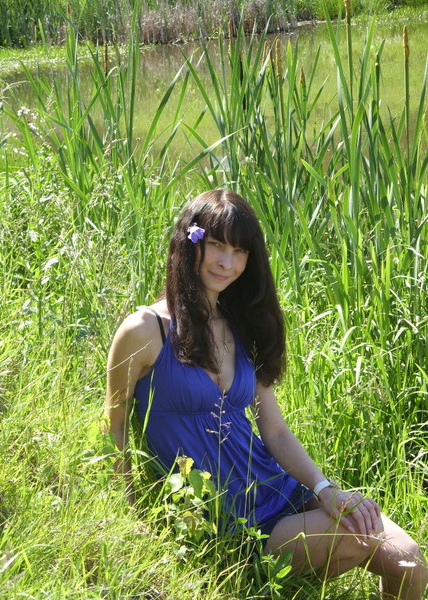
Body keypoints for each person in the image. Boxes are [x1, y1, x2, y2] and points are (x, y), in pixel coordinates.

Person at [105, 189, 427, 598]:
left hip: (277, 489)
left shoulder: (242, 327)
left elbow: (273, 431)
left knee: (410, 562)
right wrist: (130, 513)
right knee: (356, 535)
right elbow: (114, 425)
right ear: (189, 242)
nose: (227, 262)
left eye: (239, 251)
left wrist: (324, 489)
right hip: (228, 519)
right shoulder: (145, 330)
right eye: (216, 245)